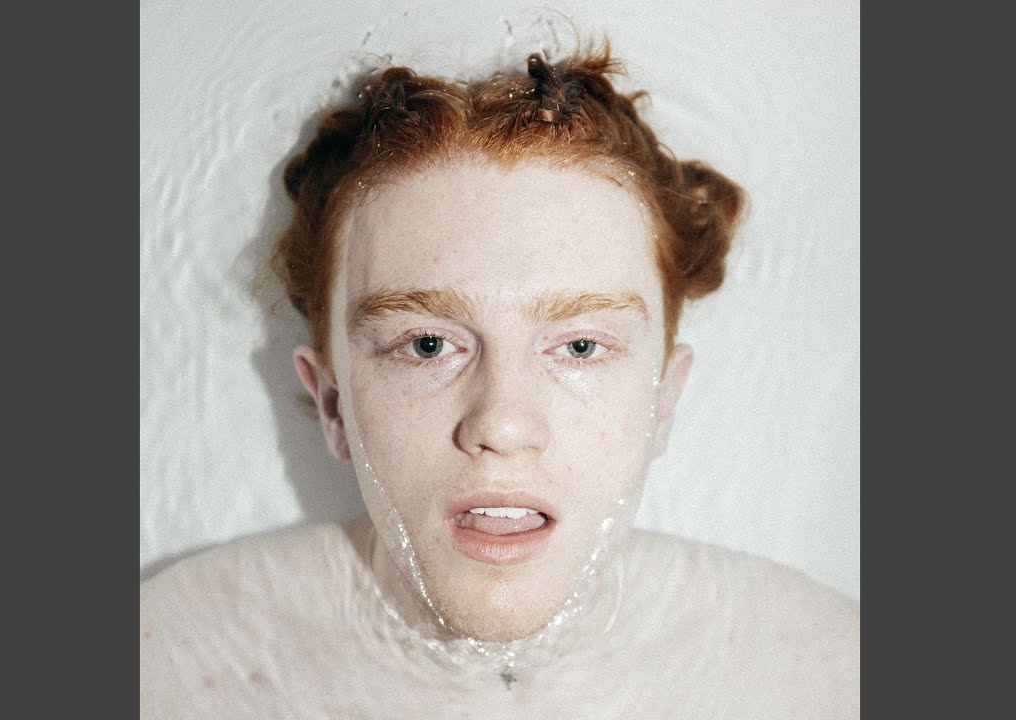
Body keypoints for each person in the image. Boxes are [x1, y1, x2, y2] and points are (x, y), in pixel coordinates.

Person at [140, 47, 858, 718]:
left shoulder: (826, 674)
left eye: (579, 346)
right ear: (332, 401)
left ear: (663, 398)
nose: (502, 424)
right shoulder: (168, 665)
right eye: (427, 345)